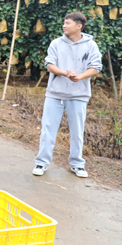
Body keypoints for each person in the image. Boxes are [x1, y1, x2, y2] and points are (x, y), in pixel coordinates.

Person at [33, 12, 102, 178]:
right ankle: (41, 163)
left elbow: (95, 67)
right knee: (48, 129)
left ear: (79, 26)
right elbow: (50, 65)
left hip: (79, 95)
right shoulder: (56, 43)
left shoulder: (91, 45)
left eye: (68, 23)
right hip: (55, 94)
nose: (64, 25)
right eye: (64, 23)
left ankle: (77, 164)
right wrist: (65, 73)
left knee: (77, 131)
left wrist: (79, 77)